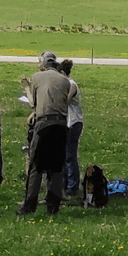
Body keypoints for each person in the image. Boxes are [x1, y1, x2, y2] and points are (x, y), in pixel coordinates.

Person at [17, 52, 77, 216]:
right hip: (62, 125)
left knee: (36, 166)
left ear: (43, 64)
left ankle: (29, 205)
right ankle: (53, 207)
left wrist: (27, 87)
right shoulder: (65, 80)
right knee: (56, 168)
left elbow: (33, 104)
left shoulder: (37, 77)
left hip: (44, 124)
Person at [59, 58, 84, 198]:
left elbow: (65, 100)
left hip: (73, 122)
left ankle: (72, 187)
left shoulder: (71, 84)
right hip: (65, 122)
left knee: (70, 156)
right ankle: (64, 184)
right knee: (63, 156)